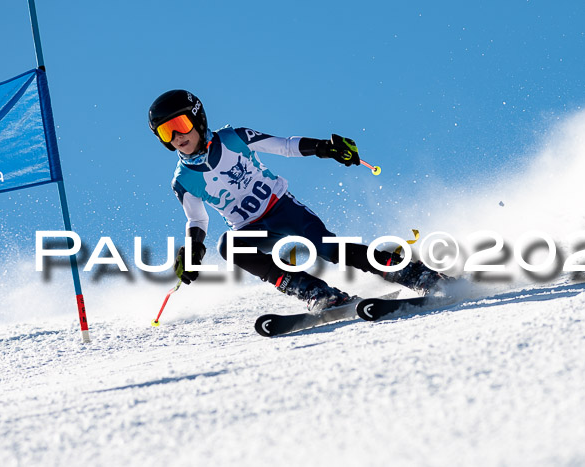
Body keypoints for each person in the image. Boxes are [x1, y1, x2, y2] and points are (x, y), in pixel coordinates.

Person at [148, 89, 445, 311]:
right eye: (166, 131)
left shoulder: (233, 138)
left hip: (283, 209)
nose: (176, 136)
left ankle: (414, 273)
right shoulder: (183, 180)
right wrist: (192, 250)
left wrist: (325, 148)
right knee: (230, 246)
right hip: (252, 229)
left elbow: (286, 146)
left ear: (198, 119)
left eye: (181, 125)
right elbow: (197, 219)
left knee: (329, 249)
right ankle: (316, 292)